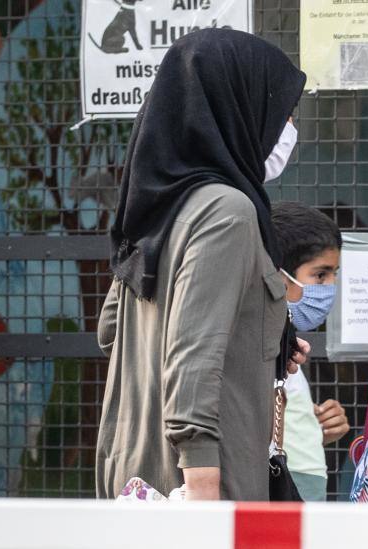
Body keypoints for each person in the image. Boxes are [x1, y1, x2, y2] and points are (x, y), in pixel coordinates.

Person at [95, 29, 308, 501]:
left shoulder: (158, 207)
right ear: (239, 107)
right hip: (202, 483)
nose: (288, 125)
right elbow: (194, 358)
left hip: (135, 473)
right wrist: (204, 493)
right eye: (282, 110)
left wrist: (261, 344)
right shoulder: (226, 212)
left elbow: (112, 331)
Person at [271, 201, 350, 501]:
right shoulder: (263, 341)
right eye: (320, 275)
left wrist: (317, 432)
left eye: (333, 275)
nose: (330, 286)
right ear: (279, 274)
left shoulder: (285, 338)